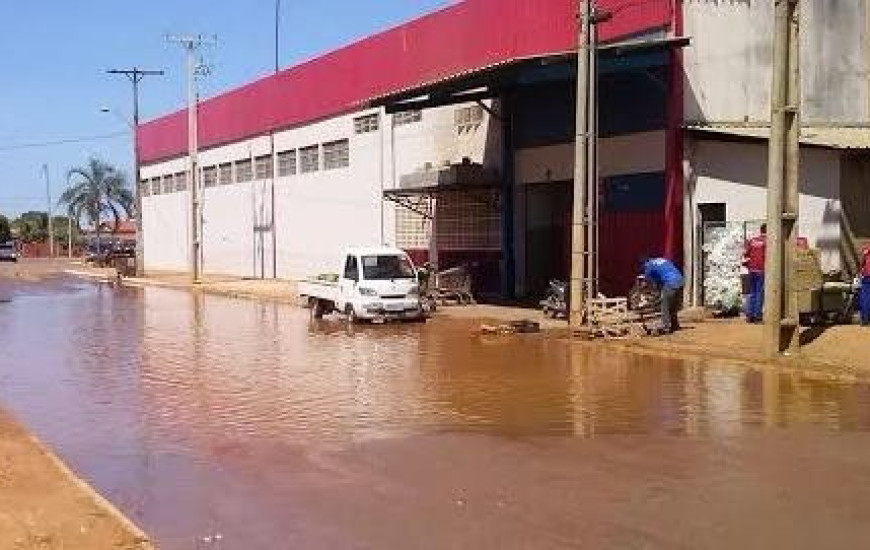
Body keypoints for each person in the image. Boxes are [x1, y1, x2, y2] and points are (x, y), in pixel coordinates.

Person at [640, 256, 685, 334]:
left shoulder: (649, 267)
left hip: (671, 283)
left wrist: (646, 295)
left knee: (665, 305)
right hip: (680, 281)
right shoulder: (661, 260)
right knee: (672, 305)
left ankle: (666, 327)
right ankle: (675, 325)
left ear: (645, 263)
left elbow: (649, 283)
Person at [743, 224, 767, 323]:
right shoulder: (767, 242)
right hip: (761, 269)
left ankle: (749, 315)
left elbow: (746, 253)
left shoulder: (752, 240)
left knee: (751, 292)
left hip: (751, 269)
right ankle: (757, 316)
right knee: (759, 293)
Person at [861, 242, 870, 327]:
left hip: (867, 276)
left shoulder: (866, 247)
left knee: (865, 298)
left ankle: (865, 320)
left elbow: (863, 263)